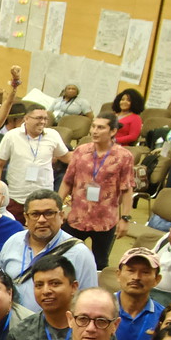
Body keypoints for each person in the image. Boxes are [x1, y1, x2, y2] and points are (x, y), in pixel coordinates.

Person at [0, 191, 98, 306]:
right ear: (26, 218)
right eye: (35, 214)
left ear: (61, 216)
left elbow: (89, 300)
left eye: (49, 213)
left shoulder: (79, 253)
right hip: (13, 316)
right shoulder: (13, 242)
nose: (41, 220)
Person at [60, 114, 136, 267]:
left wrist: (125, 219)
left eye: (100, 127)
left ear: (113, 131)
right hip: (77, 216)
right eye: (93, 126)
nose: (95, 131)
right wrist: (56, 208)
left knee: (99, 262)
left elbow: (127, 189)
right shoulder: (81, 151)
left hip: (105, 220)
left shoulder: (124, 156)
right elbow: (67, 181)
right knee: (65, 258)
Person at [0, 107, 70, 212]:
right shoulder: (11, 136)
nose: (43, 122)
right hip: (16, 197)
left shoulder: (53, 135)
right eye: (39, 118)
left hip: (44, 196)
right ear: (26, 118)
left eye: (45, 119)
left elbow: (65, 157)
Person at [112, 246, 167, 340]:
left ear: (157, 279)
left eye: (145, 272)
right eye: (131, 270)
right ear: (118, 274)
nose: (136, 277)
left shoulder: (163, 318)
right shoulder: (98, 308)